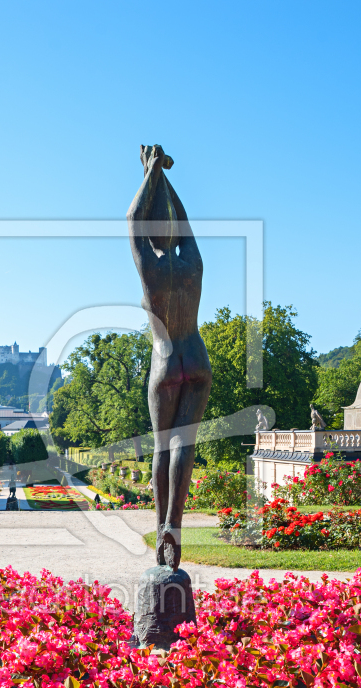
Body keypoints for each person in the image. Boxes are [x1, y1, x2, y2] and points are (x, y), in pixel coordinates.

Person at [128, 144, 212, 569]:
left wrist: (150, 172)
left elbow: (132, 219)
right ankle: (173, 526)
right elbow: (186, 225)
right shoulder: (193, 264)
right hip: (196, 359)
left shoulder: (151, 268)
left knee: (162, 446)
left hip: (165, 361)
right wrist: (164, 175)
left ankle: (161, 523)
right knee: (185, 442)